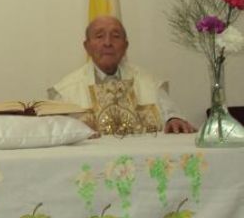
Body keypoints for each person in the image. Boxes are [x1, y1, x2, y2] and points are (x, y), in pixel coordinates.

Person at [48, 15, 196, 134]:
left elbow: (172, 114)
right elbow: (56, 132)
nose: (108, 43)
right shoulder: (65, 92)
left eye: (115, 36)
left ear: (125, 46)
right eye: (99, 36)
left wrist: (174, 119)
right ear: (87, 46)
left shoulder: (149, 83)